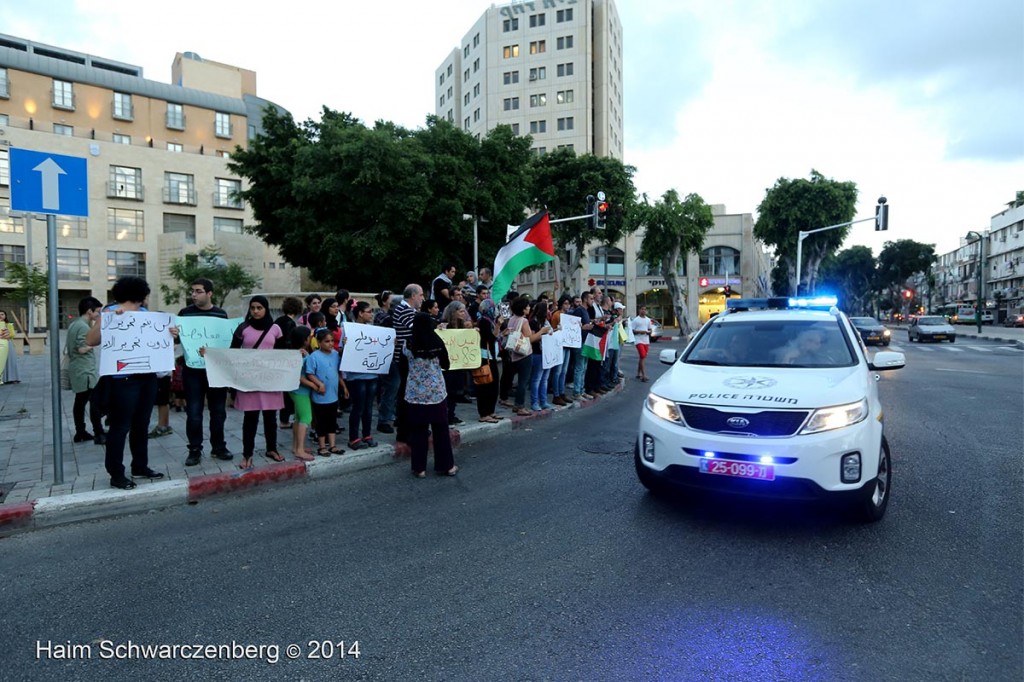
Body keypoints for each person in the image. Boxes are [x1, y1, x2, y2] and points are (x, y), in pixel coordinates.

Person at [85, 276, 176, 489]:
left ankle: (140, 466)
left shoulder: (148, 316)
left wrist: (172, 334)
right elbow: (90, 340)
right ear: (141, 294)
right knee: (120, 426)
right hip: (122, 380)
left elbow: (162, 346)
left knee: (141, 424)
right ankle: (116, 473)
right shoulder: (109, 312)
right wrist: (108, 321)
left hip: (147, 377)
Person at [178, 278, 231, 466]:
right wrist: (175, 335)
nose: (193, 294)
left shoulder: (220, 314)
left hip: (215, 370)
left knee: (218, 411)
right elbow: (179, 342)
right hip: (192, 370)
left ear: (209, 294)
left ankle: (218, 447)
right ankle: (194, 449)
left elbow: (225, 342)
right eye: (192, 291)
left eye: (198, 291)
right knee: (194, 412)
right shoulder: (185, 313)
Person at [231, 295, 285, 469]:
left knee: (271, 417)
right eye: (253, 308)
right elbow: (232, 352)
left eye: (259, 308)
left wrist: (297, 353)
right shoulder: (243, 328)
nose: (255, 311)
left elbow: (283, 352)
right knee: (250, 418)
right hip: (249, 380)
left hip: (270, 379)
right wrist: (208, 354)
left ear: (266, 309)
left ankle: (272, 449)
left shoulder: (276, 328)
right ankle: (247, 454)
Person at [405, 312, 457, 478]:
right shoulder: (437, 342)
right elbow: (447, 364)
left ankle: (419, 468)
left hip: (416, 394)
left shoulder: (409, 344)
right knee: (441, 430)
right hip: (436, 393)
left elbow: (402, 361)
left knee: (419, 431)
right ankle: (447, 465)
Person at [66, 297, 106, 444]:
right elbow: (82, 348)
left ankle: (81, 432)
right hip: (85, 371)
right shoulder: (83, 327)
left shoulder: (74, 324)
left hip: (78, 369)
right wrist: (96, 342)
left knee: (80, 402)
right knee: (95, 403)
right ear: (89, 311)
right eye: (97, 312)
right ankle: (98, 433)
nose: (98, 315)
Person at [305, 328, 348, 456]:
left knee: (332, 420)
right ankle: (322, 446)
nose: (330, 344)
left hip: (333, 395)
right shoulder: (314, 357)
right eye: (326, 341)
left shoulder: (335, 354)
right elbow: (310, 373)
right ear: (318, 342)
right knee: (321, 422)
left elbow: (337, 373)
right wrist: (319, 384)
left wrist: (344, 387)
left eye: (332, 341)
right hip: (320, 396)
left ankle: (333, 445)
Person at [343, 301, 378, 450]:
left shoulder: (374, 330)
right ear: (360, 313)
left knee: (369, 407)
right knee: (358, 406)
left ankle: (367, 434)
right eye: (369, 311)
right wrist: (344, 345)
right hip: (356, 376)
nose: (371, 314)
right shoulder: (349, 329)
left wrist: (390, 343)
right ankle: (353, 438)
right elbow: (340, 350)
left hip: (372, 374)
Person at [392, 284, 424, 443]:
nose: (422, 298)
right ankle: (405, 432)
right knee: (406, 394)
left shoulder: (409, 311)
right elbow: (418, 328)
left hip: (409, 357)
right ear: (412, 296)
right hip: (405, 358)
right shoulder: (404, 310)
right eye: (420, 295)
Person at [440, 300, 473, 425]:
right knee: (447, 390)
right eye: (461, 311)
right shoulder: (444, 325)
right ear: (453, 312)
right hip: (447, 364)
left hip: (458, 363)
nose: (464, 313)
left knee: (454, 391)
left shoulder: (462, 325)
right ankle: (445, 416)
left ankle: (451, 414)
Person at [287, 326, 316, 462]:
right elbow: (300, 376)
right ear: (305, 340)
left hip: (295, 390)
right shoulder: (301, 355)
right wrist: (314, 386)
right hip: (300, 391)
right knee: (306, 417)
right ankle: (300, 449)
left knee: (298, 418)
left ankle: (296, 446)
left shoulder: (299, 353)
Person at [375, 293, 402, 434]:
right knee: (392, 387)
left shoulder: (393, 319)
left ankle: (395, 416)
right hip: (389, 359)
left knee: (396, 388)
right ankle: (384, 419)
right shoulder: (388, 320)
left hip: (397, 358)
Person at [275, 296, 303, 430]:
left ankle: (283, 418)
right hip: (286, 359)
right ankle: (284, 420)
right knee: (288, 392)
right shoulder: (290, 323)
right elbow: (289, 342)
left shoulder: (278, 320)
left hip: (278, 358)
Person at [474, 298, 503, 423]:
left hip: (492, 356)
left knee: (494, 385)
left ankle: (491, 411)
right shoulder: (483, 322)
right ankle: (484, 413)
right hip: (485, 357)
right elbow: (490, 338)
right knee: (485, 385)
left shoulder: (489, 321)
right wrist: (498, 326)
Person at [528, 300, 555, 411]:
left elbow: (550, 333)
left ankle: (543, 401)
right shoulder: (533, 322)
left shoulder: (546, 322)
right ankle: (535, 402)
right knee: (536, 379)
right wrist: (543, 333)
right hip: (537, 353)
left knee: (544, 379)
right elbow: (533, 338)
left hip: (547, 353)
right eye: (547, 309)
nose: (548, 311)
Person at [549, 295, 574, 405]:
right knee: (558, 371)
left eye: (568, 304)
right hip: (559, 345)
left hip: (567, 344)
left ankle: (562, 392)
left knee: (564, 371)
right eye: (565, 303)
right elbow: (552, 330)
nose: (567, 306)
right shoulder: (557, 315)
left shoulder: (568, 315)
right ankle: (556, 394)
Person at [631, 304, 653, 382]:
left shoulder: (648, 320)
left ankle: (638, 373)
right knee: (643, 355)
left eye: (645, 309)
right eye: (642, 309)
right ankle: (644, 375)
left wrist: (649, 332)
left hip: (646, 340)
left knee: (642, 357)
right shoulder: (636, 320)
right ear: (639, 310)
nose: (643, 311)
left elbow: (650, 329)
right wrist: (641, 331)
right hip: (638, 340)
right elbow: (632, 330)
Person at [0, 310, 21, 384]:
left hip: (8, 343)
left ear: (5, 315)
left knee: (10, 360)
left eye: (2, 314)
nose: (0, 316)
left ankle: (12, 378)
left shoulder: (9, 324)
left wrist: (7, 334)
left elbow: (12, 335)